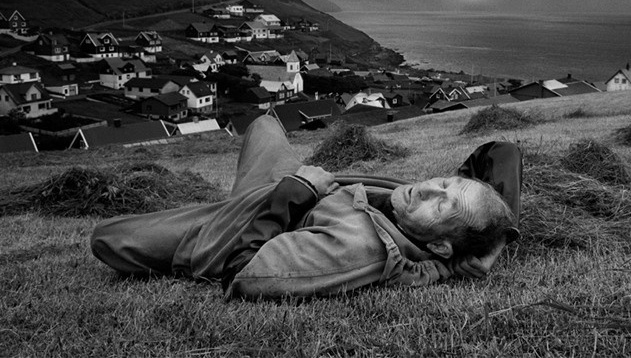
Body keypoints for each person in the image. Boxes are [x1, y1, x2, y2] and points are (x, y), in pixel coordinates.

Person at [91, 115, 522, 300]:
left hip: (238, 226)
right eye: (444, 182)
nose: (425, 188)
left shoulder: (359, 248)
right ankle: (249, 189)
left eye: (441, 203)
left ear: (444, 248)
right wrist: (490, 248)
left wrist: (296, 190)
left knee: (109, 239)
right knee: (264, 124)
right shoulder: (456, 224)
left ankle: (216, 209)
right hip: (289, 185)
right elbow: (502, 152)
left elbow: (241, 274)